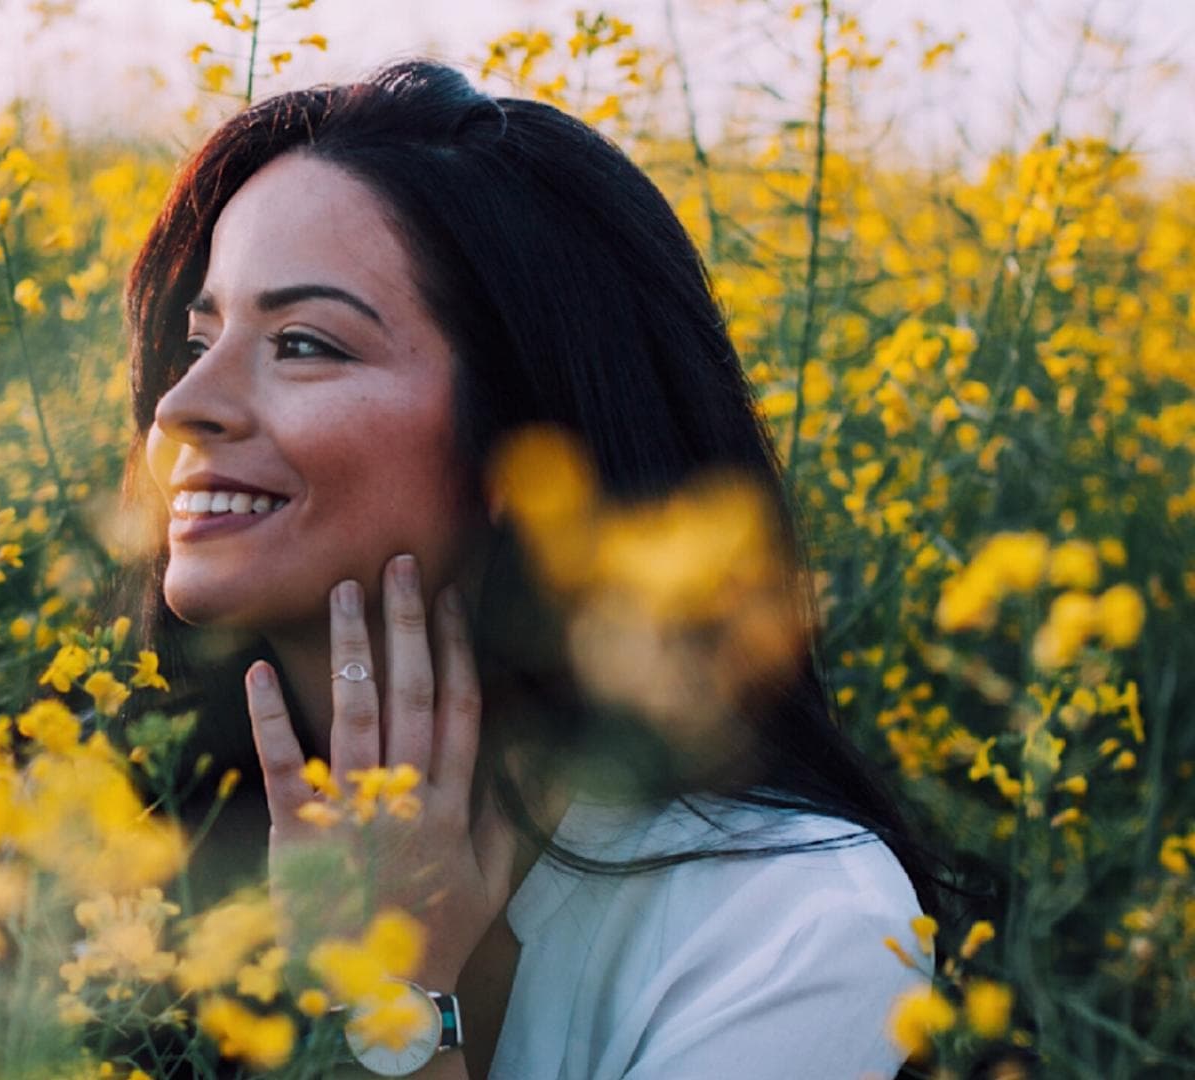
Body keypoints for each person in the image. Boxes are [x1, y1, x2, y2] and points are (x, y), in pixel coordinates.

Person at [107, 57, 974, 1079]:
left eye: (302, 343)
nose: (181, 406)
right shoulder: (120, 849)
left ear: (530, 456)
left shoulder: (791, 926)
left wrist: (390, 1006)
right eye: (198, 338)